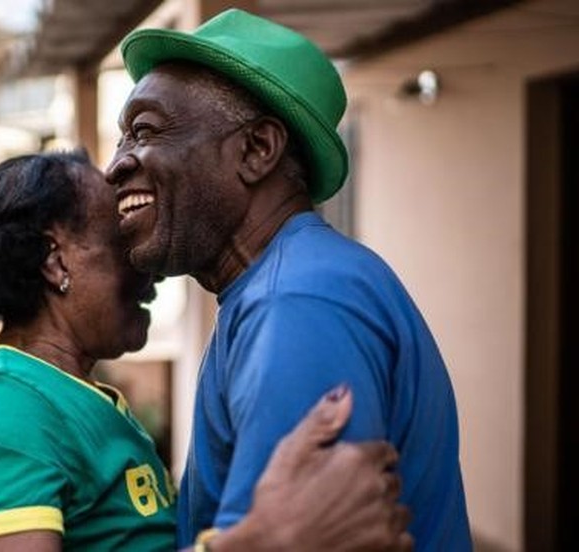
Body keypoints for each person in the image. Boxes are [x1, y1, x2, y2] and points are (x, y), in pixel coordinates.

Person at [105, 9, 470, 550]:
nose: (115, 166)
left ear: (257, 150)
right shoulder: (285, 285)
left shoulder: (296, 303)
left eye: (144, 131)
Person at [0, 151, 411, 551]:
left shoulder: (64, 395)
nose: (151, 267)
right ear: (56, 261)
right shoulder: (3, 401)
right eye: (124, 242)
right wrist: (261, 542)